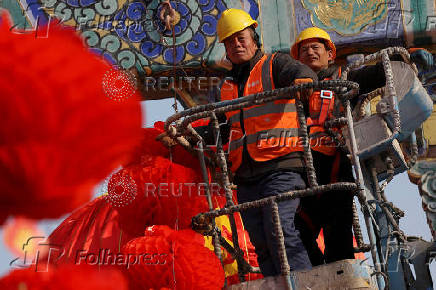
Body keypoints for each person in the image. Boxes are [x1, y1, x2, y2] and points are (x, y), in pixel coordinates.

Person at [290, 27, 434, 265]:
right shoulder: (291, 89)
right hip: (301, 169)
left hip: (335, 165)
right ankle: (314, 274)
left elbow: (377, 72)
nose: (309, 53)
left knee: (338, 231)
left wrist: (407, 56)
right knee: (296, 231)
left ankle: (340, 275)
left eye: (315, 48)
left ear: (329, 53)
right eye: (303, 50)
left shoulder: (344, 78)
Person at [202, 8, 318, 276]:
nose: (236, 44)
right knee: (262, 243)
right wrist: (182, 136)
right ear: (226, 50)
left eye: (241, 38)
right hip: (246, 176)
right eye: (230, 42)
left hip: (281, 168)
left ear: (254, 39)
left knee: (283, 233)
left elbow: (303, 74)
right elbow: (216, 130)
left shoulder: (275, 64)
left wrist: (304, 82)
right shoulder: (226, 87)